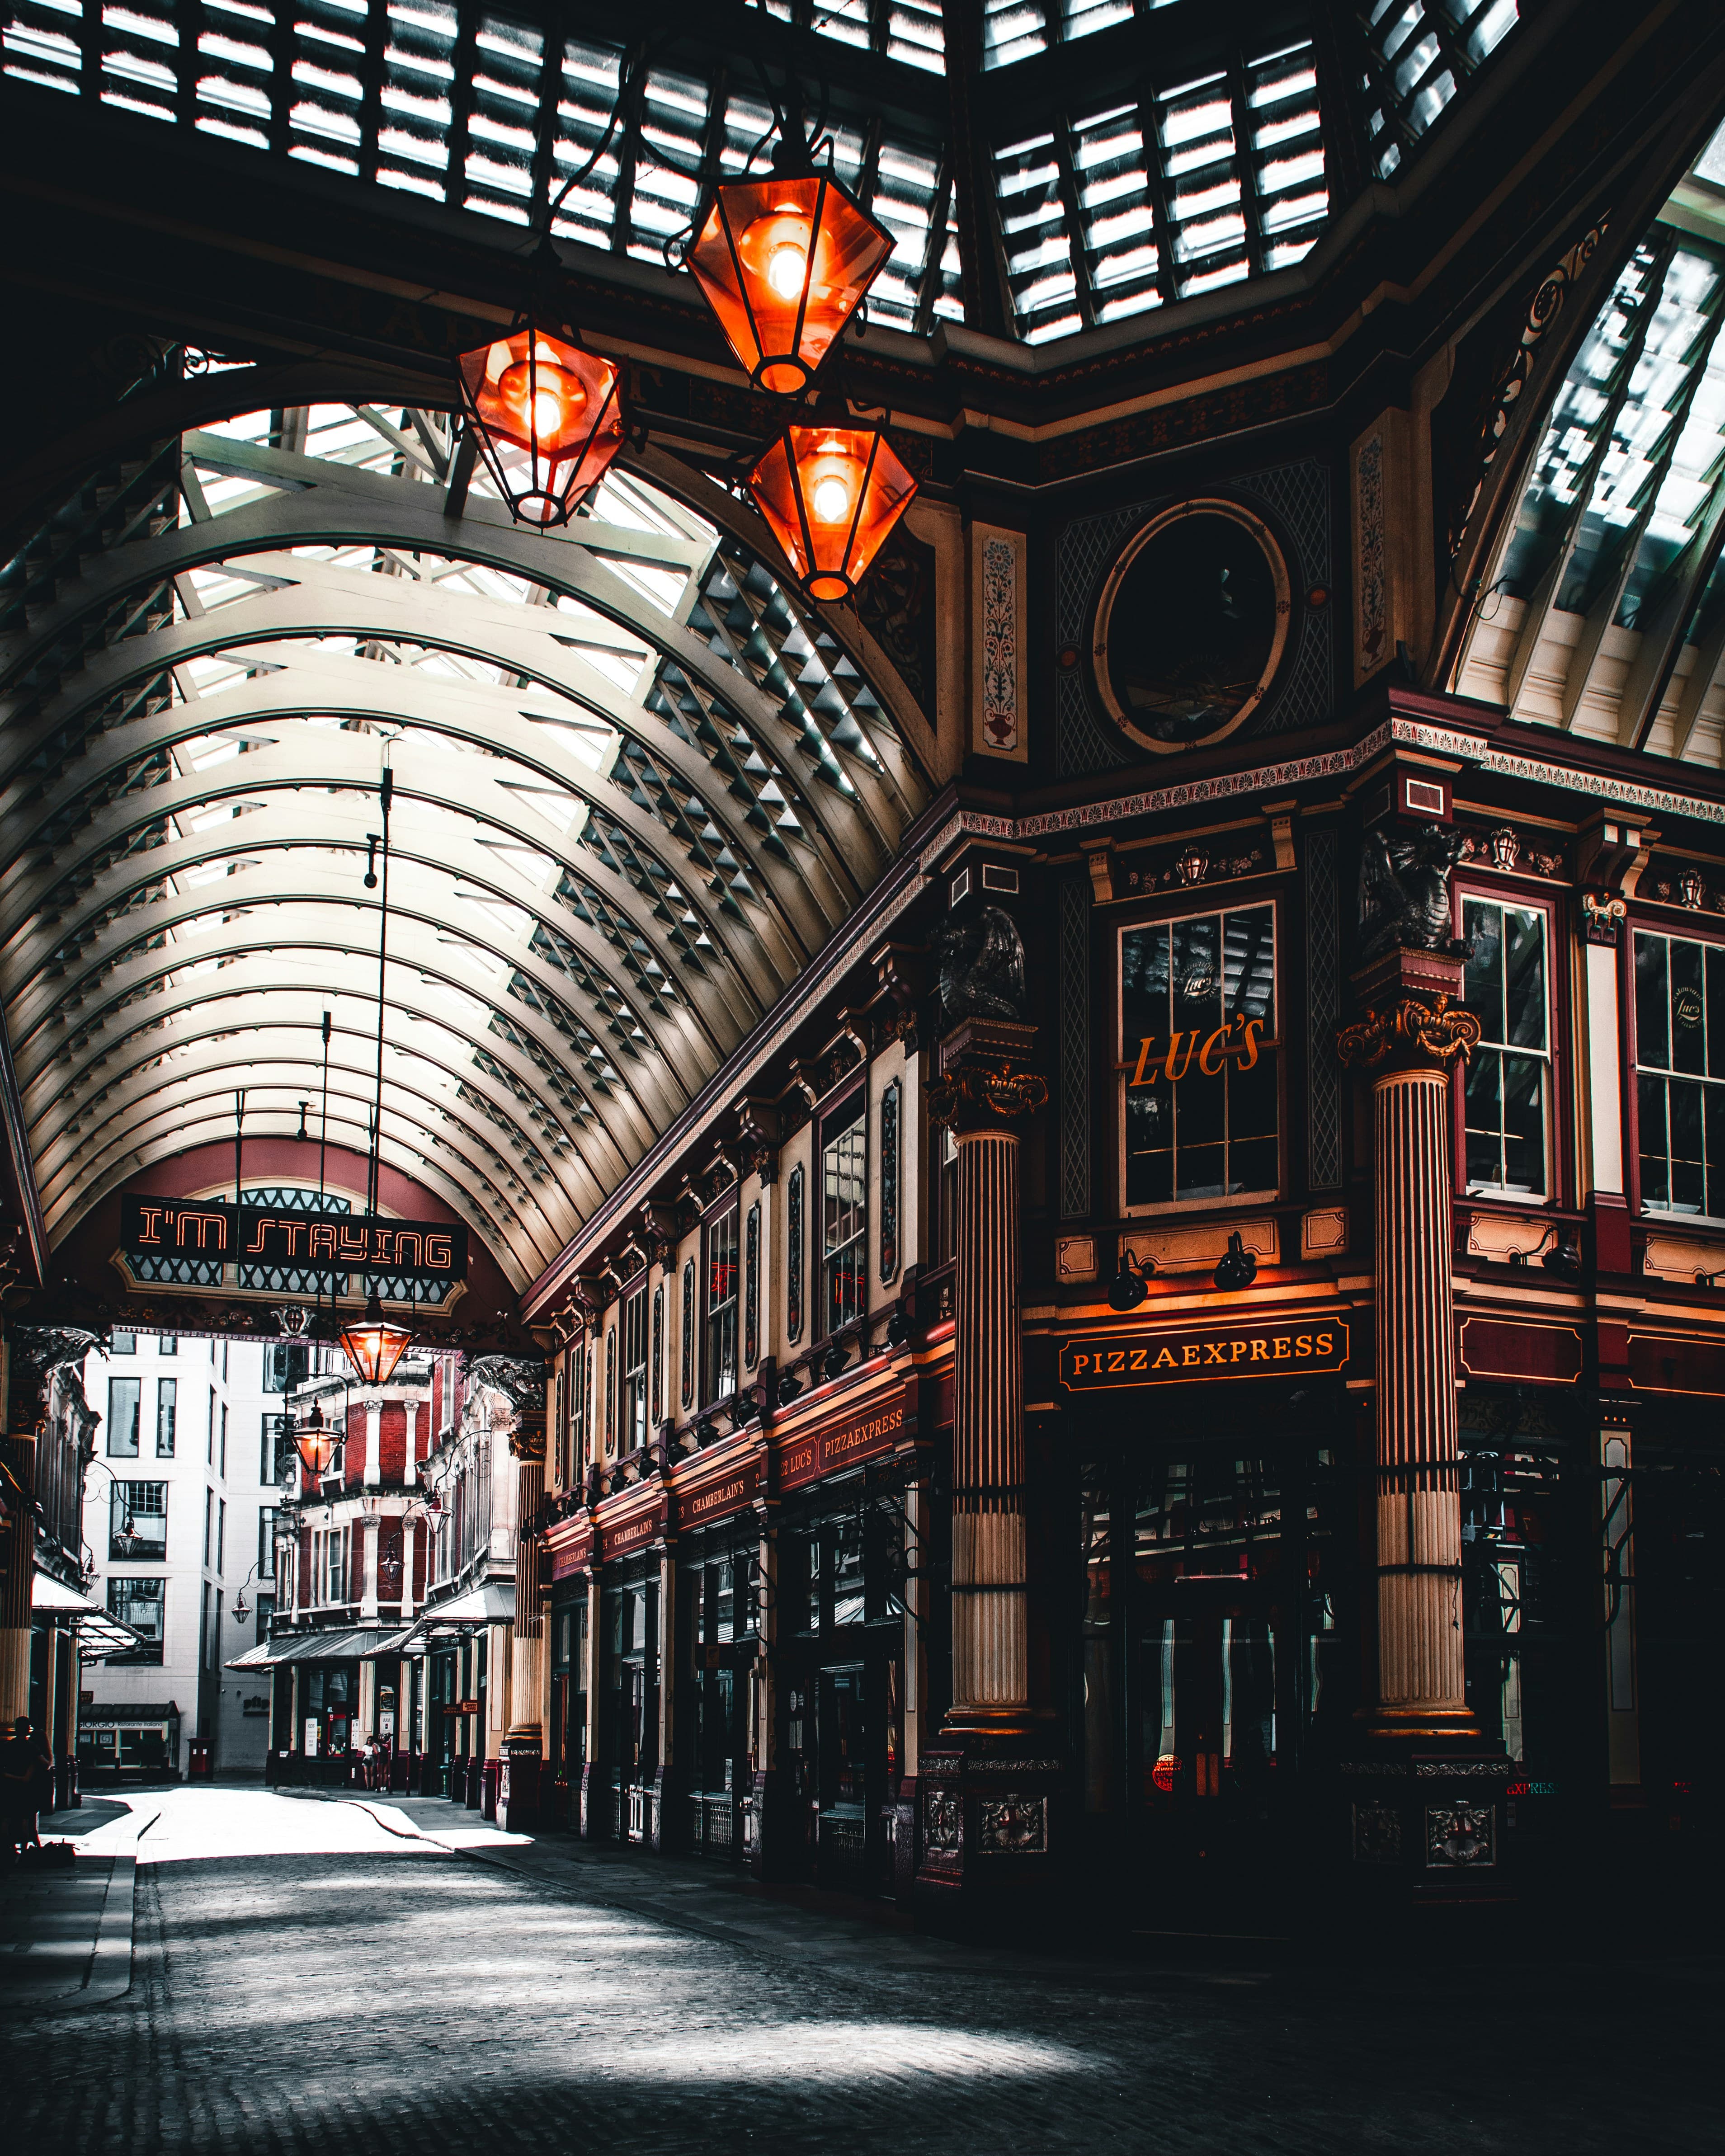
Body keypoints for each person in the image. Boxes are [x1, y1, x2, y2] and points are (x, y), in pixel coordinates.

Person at [0, 1715, 54, 1864]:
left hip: (8, 1787)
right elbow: (46, 1764)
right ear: (28, 1729)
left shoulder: (7, 1746)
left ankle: (7, 1848)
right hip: (25, 1788)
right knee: (24, 1819)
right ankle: (23, 1851)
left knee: (6, 1818)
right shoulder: (31, 1747)